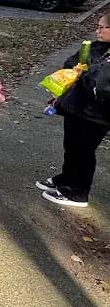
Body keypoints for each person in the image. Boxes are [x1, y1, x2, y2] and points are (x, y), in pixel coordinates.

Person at [37, 15, 110, 207]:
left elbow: (103, 86)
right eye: (98, 26)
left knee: (84, 151)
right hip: (76, 105)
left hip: (98, 114)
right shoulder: (95, 47)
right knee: (71, 146)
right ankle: (66, 178)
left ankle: (78, 192)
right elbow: (71, 62)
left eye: (103, 27)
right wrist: (74, 69)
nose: (98, 31)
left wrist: (84, 74)